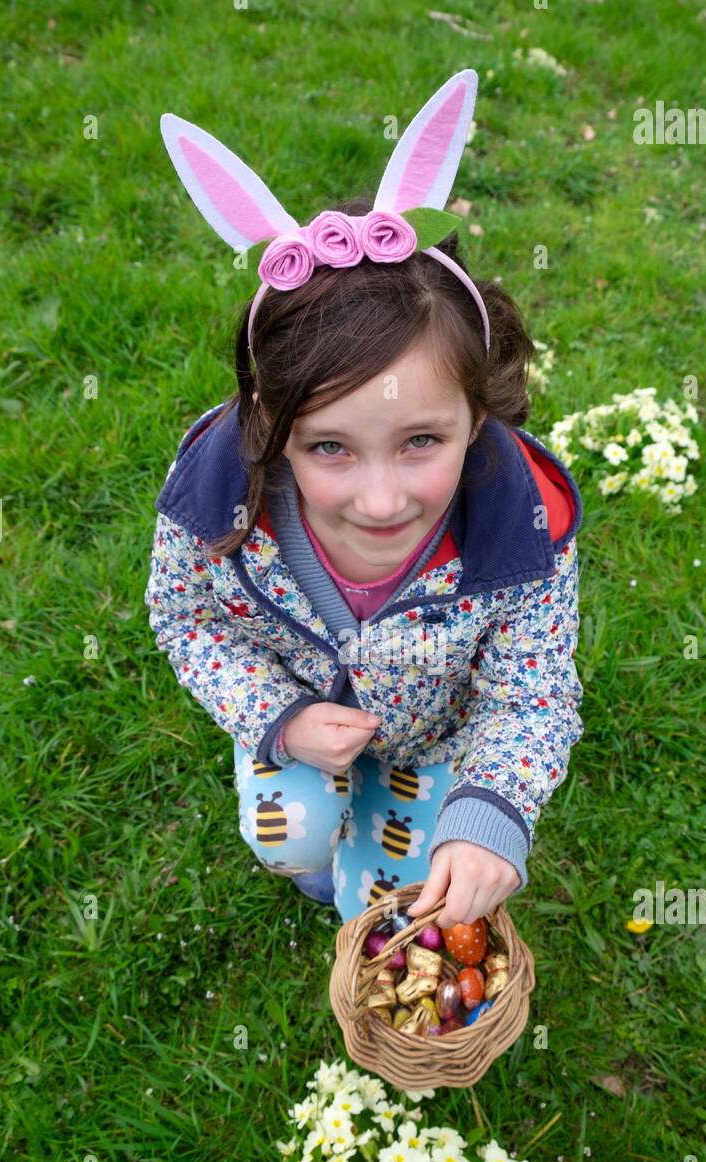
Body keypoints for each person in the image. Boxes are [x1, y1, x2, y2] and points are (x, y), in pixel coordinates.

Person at [144, 71, 585, 930]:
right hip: (294, 721)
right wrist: (278, 718)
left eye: (422, 442)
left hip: (436, 742)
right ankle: (314, 864)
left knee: (381, 905)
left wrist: (493, 808)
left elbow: (531, 693)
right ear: (269, 423)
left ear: (478, 413)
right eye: (329, 449)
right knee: (295, 842)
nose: (380, 501)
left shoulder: (520, 529)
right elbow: (185, 619)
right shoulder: (215, 502)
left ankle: (364, 864)